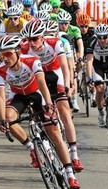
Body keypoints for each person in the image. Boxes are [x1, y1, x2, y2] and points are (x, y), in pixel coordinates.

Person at [0, 35, 81, 189]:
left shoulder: (31, 61)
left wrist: (49, 104)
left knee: (53, 133)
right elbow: (0, 97)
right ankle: (31, 148)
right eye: (2, 54)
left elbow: (42, 83)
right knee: (9, 119)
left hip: (36, 93)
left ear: (18, 52)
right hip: (19, 97)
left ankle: (70, 174)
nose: (5, 58)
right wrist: (2, 120)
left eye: (8, 54)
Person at [21, 18, 84, 172]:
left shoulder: (55, 43)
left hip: (55, 75)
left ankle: (74, 155)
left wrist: (68, 85)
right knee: (37, 114)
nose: (32, 43)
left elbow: (64, 66)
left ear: (42, 37)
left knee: (64, 111)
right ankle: (46, 146)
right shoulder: (24, 48)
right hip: (38, 79)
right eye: (28, 39)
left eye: (35, 39)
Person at [57, 10, 84, 113]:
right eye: (61, 23)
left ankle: (74, 99)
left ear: (69, 23)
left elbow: (80, 44)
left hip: (72, 51)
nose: (63, 25)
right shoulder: (55, 31)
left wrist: (80, 57)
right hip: (60, 51)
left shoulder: (75, 29)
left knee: (73, 72)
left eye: (66, 23)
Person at [76, 12, 97, 107]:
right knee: (79, 64)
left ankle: (93, 96)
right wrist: (79, 59)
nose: (83, 29)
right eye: (81, 27)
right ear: (78, 26)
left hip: (90, 53)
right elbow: (75, 48)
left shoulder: (93, 32)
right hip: (80, 52)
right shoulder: (76, 32)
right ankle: (75, 76)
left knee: (92, 71)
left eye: (85, 26)